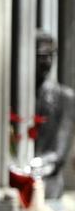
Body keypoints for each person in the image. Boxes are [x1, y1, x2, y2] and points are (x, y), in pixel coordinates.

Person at [31, 30, 75, 200]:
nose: (47, 62)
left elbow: (59, 152)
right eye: (41, 56)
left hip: (48, 187)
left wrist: (33, 165)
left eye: (51, 56)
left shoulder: (65, 98)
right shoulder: (14, 97)